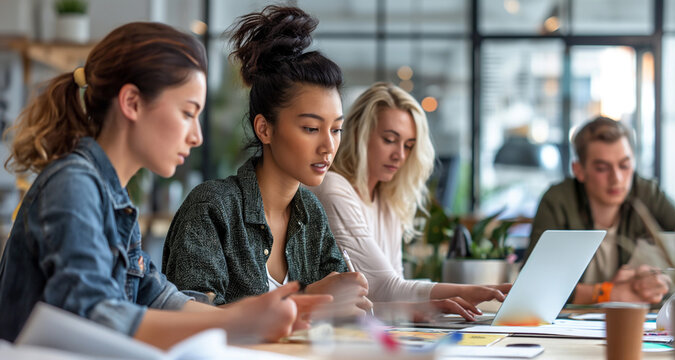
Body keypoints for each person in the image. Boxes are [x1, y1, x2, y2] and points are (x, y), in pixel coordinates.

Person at [0, 22, 330, 348]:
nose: (197, 136)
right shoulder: (73, 185)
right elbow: (95, 317)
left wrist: (249, 314)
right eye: (188, 113)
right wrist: (235, 322)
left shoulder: (112, 196)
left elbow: (159, 296)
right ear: (131, 102)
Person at [162, 6, 371, 315]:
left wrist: (408, 310)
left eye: (336, 129)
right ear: (265, 128)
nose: (329, 145)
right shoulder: (212, 207)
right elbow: (189, 319)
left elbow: (344, 303)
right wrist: (305, 299)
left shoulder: (311, 214)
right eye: (311, 129)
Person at [308, 82, 510, 317]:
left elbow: (387, 291)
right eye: (390, 139)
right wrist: (471, 291)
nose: (400, 155)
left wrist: (449, 300)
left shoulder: (388, 199)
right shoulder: (334, 188)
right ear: (359, 135)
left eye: (408, 145)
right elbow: (385, 288)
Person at [526, 116, 675, 304]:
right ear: (578, 170)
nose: (617, 178)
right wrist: (610, 292)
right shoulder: (557, 201)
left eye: (625, 165)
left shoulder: (647, 193)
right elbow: (533, 286)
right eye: (602, 168)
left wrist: (660, 281)